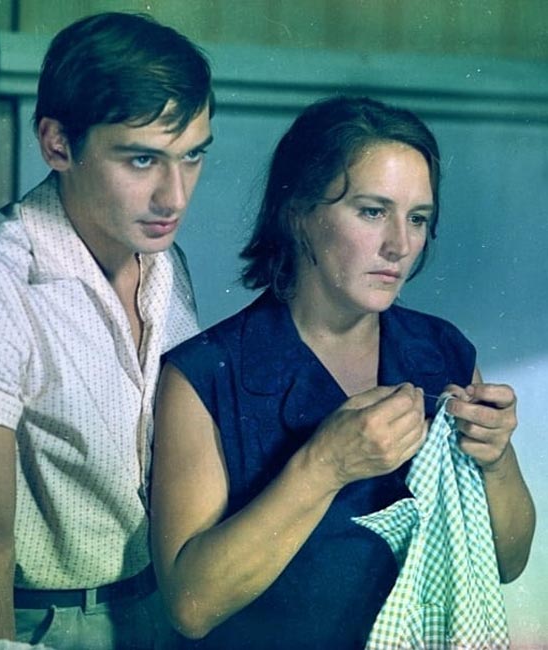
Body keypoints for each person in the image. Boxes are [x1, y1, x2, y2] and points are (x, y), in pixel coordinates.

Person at [150, 96, 535, 648]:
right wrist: (324, 466)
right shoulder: (205, 374)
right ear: (298, 213)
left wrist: (496, 463)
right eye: (372, 211)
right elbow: (191, 607)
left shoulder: (442, 351)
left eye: (418, 219)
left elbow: (507, 561)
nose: (399, 245)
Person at [0, 11, 214, 650]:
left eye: (192, 157)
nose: (174, 197)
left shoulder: (165, 265)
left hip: (155, 609)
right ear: (57, 145)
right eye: (142, 159)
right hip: (34, 625)